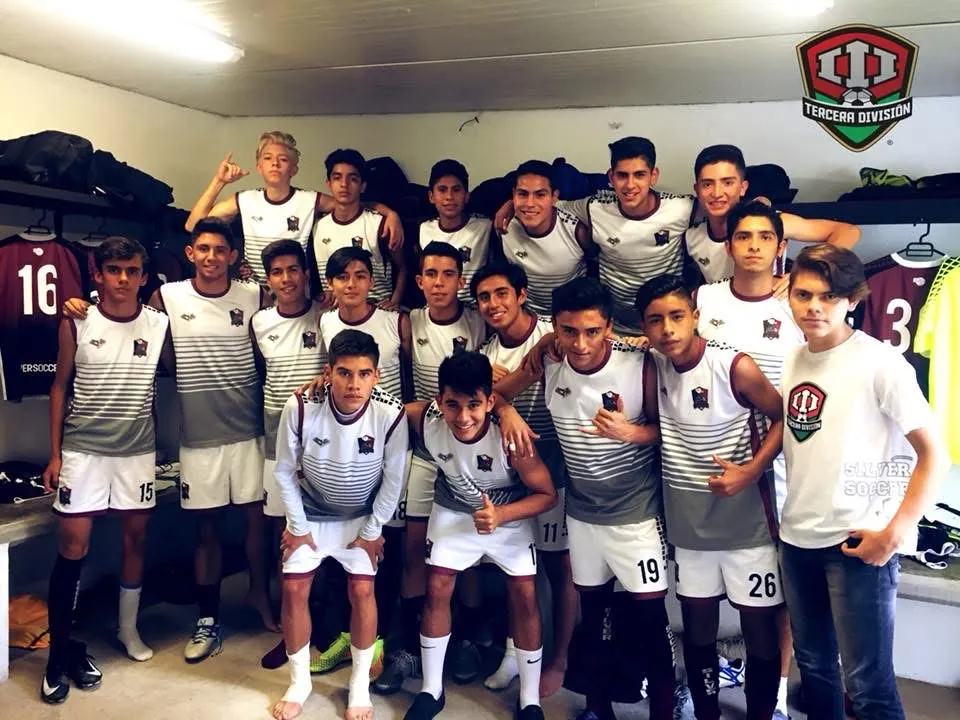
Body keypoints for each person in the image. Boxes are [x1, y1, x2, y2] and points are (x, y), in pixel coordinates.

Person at [62, 218, 277, 648]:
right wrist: (82, 303)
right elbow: (124, 319)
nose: (212, 257)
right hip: (197, 436)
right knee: (207, 530)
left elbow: (289, 312)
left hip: (250, 430)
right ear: (190, 254)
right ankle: (208, 618)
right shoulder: (167, 297)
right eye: (204, 248)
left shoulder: (254, 294)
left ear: (234, 256)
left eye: (221, 249)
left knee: (258, 522)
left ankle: (260, 593)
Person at [779, 245, 948, 720]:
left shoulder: (881, 363)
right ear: (789, 296)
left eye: (829, 296)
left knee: (867, 683)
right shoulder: (794, 359)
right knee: (814, 668)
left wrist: (893, 536)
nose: (814, 307)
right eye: (804, 294)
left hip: (857, 543)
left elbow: (934, 456)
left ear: (852, 299)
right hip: (797, 538)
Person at [496, 277, 676, 720]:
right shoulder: (548, 359)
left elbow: (669, 429)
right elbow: (497, 395)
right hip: (581, 514)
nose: (580, 344)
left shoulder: (641, 363)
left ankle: (663, 712)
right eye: (569, 331)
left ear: (609, 327)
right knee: (592, 620)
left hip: (636, 514)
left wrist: (630, 433)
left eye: (592, 331)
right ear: (554, 328)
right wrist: (507, 411)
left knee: (652, 623)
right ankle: (598, 709)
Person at [636, 274, 785, 720]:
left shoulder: (735, 366)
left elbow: (784, 418)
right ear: (644, 327)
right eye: (655, 320)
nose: (668, 329)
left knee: (760, 632)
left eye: (677, 316)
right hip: (690, 528)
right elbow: (599, 343)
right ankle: (707, 714)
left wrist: (751, 471)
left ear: (696, 316)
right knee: (698, 631)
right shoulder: (651, 364)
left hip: (748, 527)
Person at [40, 237, 169, 704]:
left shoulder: (158, 322)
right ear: (97, 275)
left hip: (136, 452)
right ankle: (59, 654)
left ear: (143, 277)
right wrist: (55, 455)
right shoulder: (77, 320)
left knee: (136, 539)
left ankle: (127, 629)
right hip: (84, 451)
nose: (122, 279)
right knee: (74, 546)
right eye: (113, 270)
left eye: (132, 271)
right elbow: (60, 387)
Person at [694, 200, 805, 716]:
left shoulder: (798, 302)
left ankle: (774, 694)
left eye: (764, 237)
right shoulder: (705, 298)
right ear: (729, 243)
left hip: (783, 463)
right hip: (713, 460)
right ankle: (713, 686)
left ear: (780, 246)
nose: (753, 246)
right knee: (710, 587)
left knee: (778, 590)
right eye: (743, 236)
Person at [403, 351, 557, 720]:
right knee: (437, 586)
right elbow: (380, 408)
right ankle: (431, 690)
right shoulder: (426, 418)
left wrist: (501, 515)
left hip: (509, 515)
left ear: (490, 402)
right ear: (439, 401)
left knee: (524, 595)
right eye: (452, 405)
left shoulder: (512, 438)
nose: (463, 417)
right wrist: (324, 387)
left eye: (474, 405)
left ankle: (530, 699)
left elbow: (546, 495)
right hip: (454, 511)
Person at [271, 329, 410, 720]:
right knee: (293, 589)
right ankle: (299, 682)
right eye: (344, 373)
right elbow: (284, 470)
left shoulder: (391, 413)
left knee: (363, 590)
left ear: (376, 375)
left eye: (364, 374)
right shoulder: (301, 405)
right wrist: (298, 526)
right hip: (311, 514)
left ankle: (360, 686)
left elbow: (394, 479)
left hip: (361, 518)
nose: (354, 384)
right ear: (328, 372)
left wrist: (373, 530)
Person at [373, 241, 487, 695]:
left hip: (471, 446)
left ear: (461, 280)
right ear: (419, 281)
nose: (439, 283)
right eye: (431, 275)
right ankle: (406, 647)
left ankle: (467, 640)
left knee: (468, 548)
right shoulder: (408, 321)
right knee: (415, 549)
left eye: (448, 274)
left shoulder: (479, 321)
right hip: (424, 445)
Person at [470, 263, 577, 698]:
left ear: (521, 294)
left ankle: (561, 660)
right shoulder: (486, 353)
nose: (493, 304)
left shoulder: (554, 334)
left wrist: (504, 395)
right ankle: (515, 654)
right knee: (518, 570)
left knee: (559, 567)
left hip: (562, 465)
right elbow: (482, 401)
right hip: (514, 474)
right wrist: (503, 404)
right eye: (484, 297)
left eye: (501, 294)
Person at [311, 245, 412, 672]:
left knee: (383, 545)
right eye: (342, 277)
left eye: (360, 276)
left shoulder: (395, 320)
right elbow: (332, 372)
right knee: (344, 545)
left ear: (373, 280)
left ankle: (380, 641)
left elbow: (408, 375)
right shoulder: (327, 320)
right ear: (330, 283)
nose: (351, 285)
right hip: (342, 448)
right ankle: (345, 637)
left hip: (387, 440)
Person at [497, 137, 692, 335]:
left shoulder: (682, 208)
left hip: (666, 322)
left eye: (639, 175)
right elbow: (547, 205)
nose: (630, 185)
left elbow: (712, 207)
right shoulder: (595, 207)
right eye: (622, 175)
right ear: (611, 177)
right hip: (613, 327)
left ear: (653, 175)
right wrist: (512, 204)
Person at [184, 131, 404, 287]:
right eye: (268, 158)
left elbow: (348, 203)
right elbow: (193, 225)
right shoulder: (245, 199)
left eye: (283, 159)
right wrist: (219, 181)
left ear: (294, 169)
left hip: (296, 293)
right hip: (255, 292)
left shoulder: (309, 200)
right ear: (259, 166)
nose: (275, 163)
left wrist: (389, 213)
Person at [251, 239, 329, 664]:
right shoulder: (259, 322)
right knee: (286, 534)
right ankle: (291, 630)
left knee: (324, 529)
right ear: (269, 279)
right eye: (277, 272)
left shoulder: (326, 315)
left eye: (293, 270)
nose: (286, 279)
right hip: (276, 438)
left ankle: (325, 622)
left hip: (321, 439)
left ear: (306, 274)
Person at [685, 144, 860, 293]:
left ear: (743, 187)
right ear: (697, 189)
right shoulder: (692, 237)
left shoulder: (769, 222)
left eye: (728, 183)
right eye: (707, 184)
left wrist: (808, 274)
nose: (717, 193)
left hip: (774, 314)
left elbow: (847, 231)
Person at [312, 149, 407, 309]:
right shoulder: (318, 226)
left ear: (362, 186)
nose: (344, 184)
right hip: (336, 314)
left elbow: (403, 268)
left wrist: (395, 301)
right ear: (329, 184)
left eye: (353, 179)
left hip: (376, 311)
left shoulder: (381, 224)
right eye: (337, 178)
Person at [496, 160, 591, 316]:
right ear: (513, 195)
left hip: (572, 315)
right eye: (522, 194)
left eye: (540, 195)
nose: (530, 203)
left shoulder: (575, 230)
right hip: (528, 317)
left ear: (554, 197)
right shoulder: (504, 226)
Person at [418, 159, 493, 304]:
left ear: (466, 196)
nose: (449, 197)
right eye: (442, 190)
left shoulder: (484, 226)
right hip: (436, 307)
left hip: (473, 309)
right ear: (431, 196)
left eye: (456, 190)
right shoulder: (424, 229)